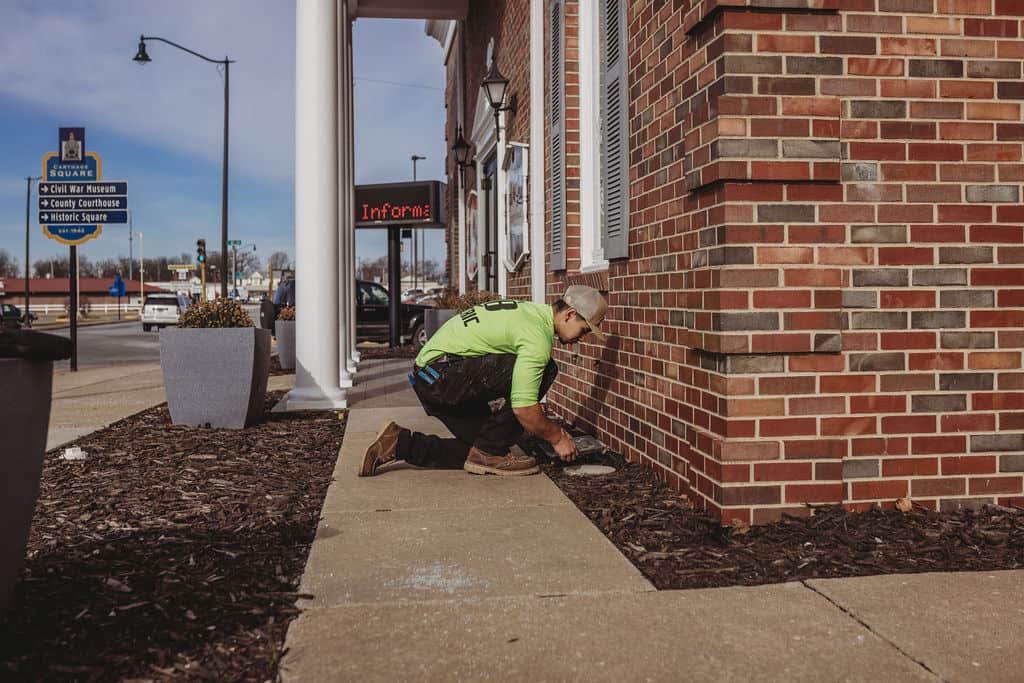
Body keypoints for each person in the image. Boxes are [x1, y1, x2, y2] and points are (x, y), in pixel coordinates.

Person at [359, 285, 608, 477]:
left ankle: (398, 444)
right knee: (545, 369)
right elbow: (523, 408)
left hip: (436, 376)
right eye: (585, 330)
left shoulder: (529, 312)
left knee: (483, 450)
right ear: (570, 314)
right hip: (441, 377)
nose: (583, 339)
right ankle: (489, 451)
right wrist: (556, 437)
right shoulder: (536, 335)